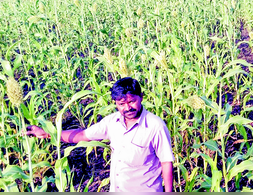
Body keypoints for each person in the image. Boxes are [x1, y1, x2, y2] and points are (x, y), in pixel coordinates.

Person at [26, 77, 174, 192]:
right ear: (115, 103)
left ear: (141, 97)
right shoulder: (113, 122)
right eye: (121, 104)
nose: (127, 108)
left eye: (132, 101)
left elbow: (166, 162)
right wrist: (47, 133)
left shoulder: (155, 126)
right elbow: (82, 135)